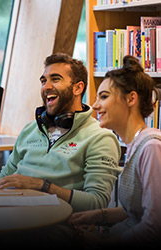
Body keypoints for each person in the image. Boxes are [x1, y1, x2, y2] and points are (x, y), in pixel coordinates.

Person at [0, 53, 122, 212]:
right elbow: (4, 177)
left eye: (55, 79)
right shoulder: (30, 129)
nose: (46, 87)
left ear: (77, 88)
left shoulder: (100, 137)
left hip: (57, 226)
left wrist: (42, 186)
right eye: (43, 81)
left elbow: (97, 202)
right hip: (12, 214)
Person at [69, 55, 161, 246]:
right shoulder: (135, 144)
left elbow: (153, 227)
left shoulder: (151, 147)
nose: (94, 106)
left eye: (104, 97)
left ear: (131, 98)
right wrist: (96, 215)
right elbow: (135, 210)